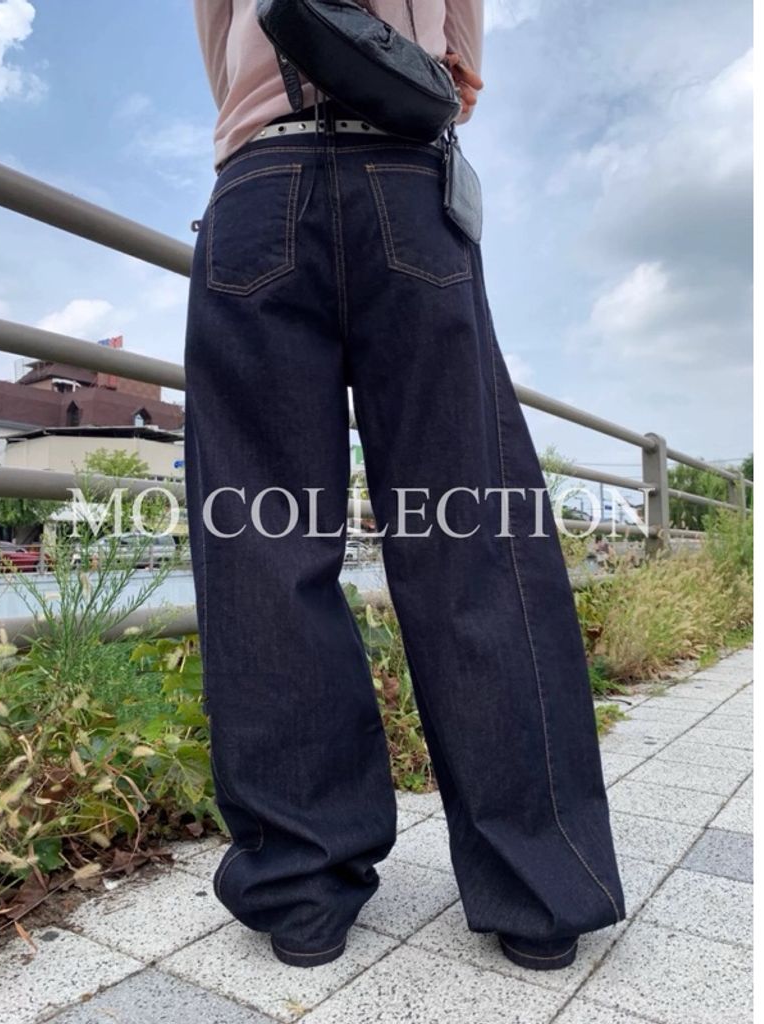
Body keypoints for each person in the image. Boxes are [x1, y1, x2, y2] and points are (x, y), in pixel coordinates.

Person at [184, 0, 626, 970]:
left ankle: (301, 884)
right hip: (405, 185)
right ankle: (538, 884)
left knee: (261, 545)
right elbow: (458, 72)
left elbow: (224, 48)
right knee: (476, 536)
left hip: (258, 185)